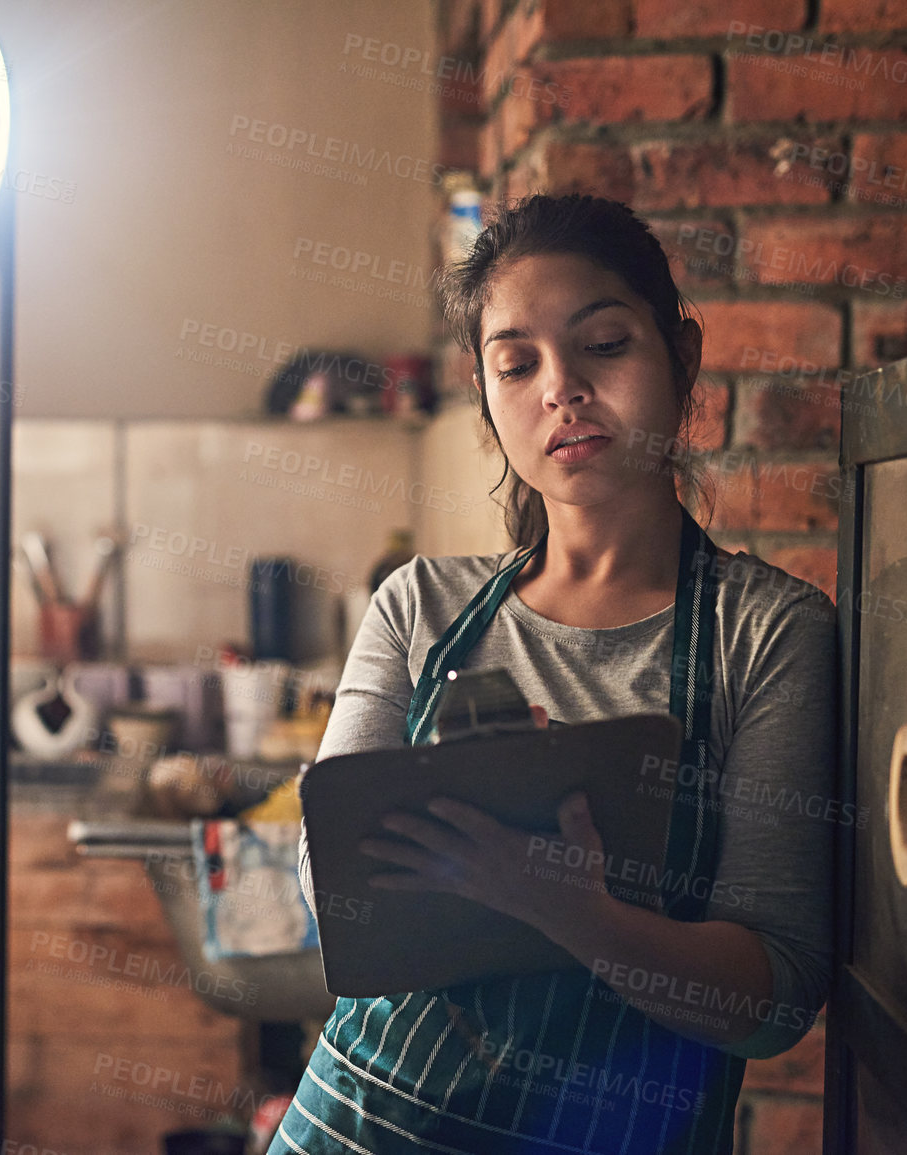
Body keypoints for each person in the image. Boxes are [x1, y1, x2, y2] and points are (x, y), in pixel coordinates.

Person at [270, 193, 837, 1154]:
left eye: (604, 344)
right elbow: (336, 895)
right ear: (489, 400)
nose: (561, 389)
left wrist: (566, 906)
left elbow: (770, 1000)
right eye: (516, 363)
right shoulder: (419, 608)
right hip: (362, 1126)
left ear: (682, 356)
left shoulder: (768, 632)